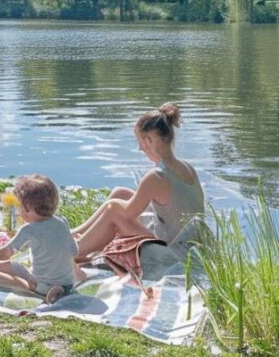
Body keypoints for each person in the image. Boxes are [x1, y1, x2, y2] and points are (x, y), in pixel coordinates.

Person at [72, 103, 205, 259]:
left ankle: (73, 252)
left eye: (140, 141)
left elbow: (127, 213)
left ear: (149, 140)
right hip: (187, 241)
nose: (140, 149)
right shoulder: (186, 166)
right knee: (120, 193)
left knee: (114, 209)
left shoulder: (156, 177)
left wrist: (113, 206)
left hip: (173, 251)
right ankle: (75, 235)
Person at [0, 174, 83, 303]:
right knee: (20, 267)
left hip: (40, 285)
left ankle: (27, 286)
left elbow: (4, 255)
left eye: (20, 206)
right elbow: (74, 251)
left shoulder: (29, 229)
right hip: (68, 284)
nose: (18, 211)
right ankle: (58, 289)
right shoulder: (62, 222)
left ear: (28, 208)